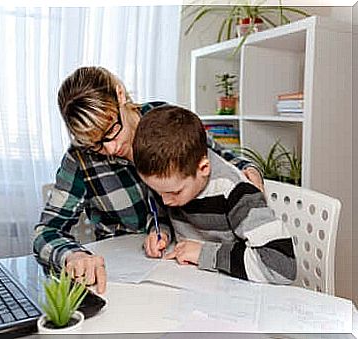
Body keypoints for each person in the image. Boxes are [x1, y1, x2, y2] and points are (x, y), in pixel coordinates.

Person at [32, 66, 264, 294]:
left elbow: (218, 157)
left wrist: (248, 172)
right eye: (95, 143)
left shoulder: (163, 119)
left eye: (110, 129)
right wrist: (75, 255)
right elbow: (46, 231)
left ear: (120, 94)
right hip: (126, 273)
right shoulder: (79, 158)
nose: (111, 148)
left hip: (190, 259)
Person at [133, 104, 296, 284]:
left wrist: (204, 253)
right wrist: (160, 231)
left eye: (174, 192)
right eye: (158, 192)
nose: (165, 201)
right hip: (192, 283)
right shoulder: (170, 183)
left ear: (203, 168)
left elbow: (281, 267)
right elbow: (160, 213)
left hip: (237, 291)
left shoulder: (237, 192)